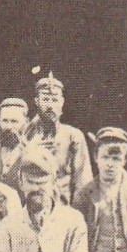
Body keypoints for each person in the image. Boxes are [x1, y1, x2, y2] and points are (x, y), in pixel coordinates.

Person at [22, 71, 93, 203]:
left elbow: (83, 181)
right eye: (45, 100)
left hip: (63, 210)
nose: (50, 106)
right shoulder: (27, 136)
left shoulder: (73, 136)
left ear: (62, 102)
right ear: (36, 101)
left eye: (54, 100)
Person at [0, 97, 33, 198]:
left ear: (26, 122)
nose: (8, 127)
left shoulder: (35, 156)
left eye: (14, 122)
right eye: (5, 121)